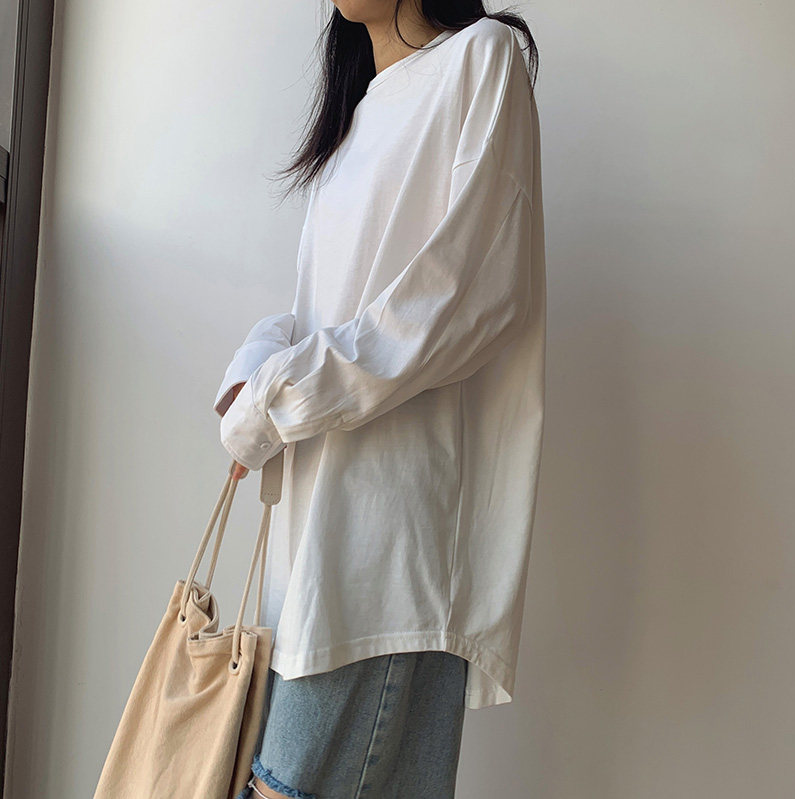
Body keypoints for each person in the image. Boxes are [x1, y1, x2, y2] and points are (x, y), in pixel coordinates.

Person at [214, 2, 545, 797]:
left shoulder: (481, 58)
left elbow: (465, 298)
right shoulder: (358, 114)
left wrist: (273, 404)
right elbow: (325, 310)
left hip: (389, 554)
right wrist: (253, 371)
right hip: (317, 556)